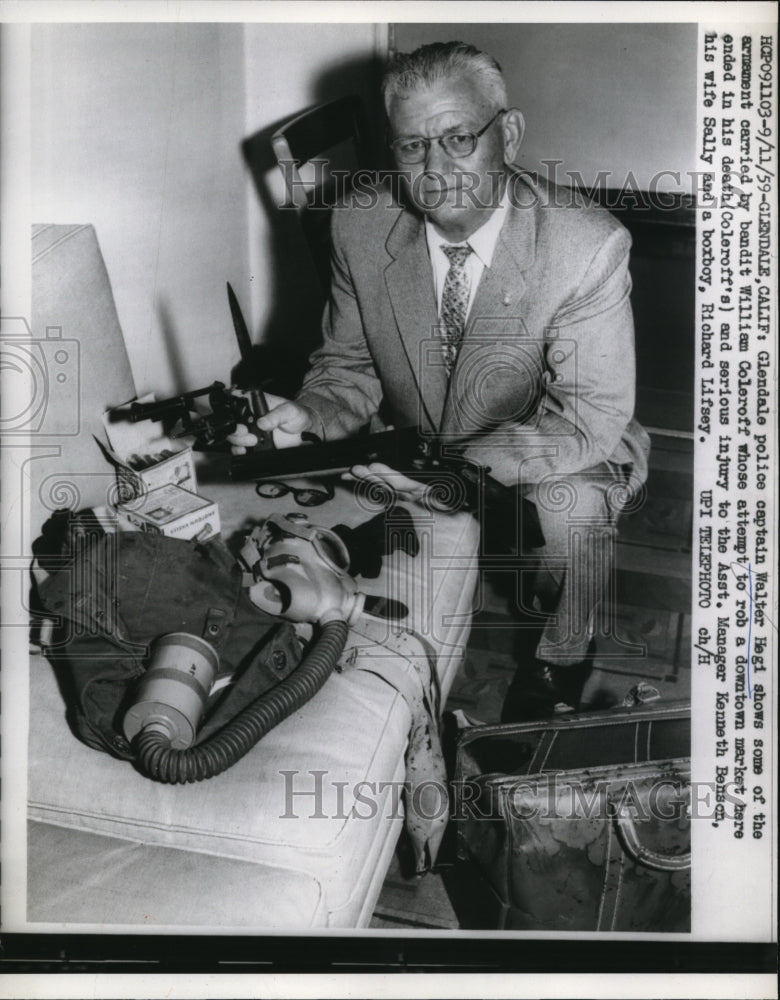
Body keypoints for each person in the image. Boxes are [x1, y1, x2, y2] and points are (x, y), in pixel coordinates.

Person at [232, 41, 651, 720]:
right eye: (412, 146)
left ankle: (563, 654)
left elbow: (587, 418)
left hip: (553, 438)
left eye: (458, 139)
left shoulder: (586, 247)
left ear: (507, 134)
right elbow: (348, 367)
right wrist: (311, 414)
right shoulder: (359, 223)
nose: (435, 171)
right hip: (421, 436)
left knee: (574, 513)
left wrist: (451, 470)